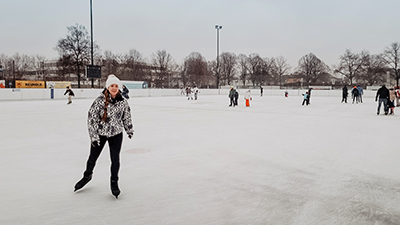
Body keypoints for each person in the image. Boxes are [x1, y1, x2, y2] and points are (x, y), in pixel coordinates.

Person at [74, 74, 134, 198]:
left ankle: (114, 183)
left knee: (115, 160)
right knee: (92, 158)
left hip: (116, 134)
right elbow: (92, 119)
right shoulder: (99, 101)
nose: (114, 88)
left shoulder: (123, 102)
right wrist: (94, 137)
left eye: (116, 86)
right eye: (111, 85)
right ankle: (87, 176)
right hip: (100, 135)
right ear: (107, 87)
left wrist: (129, 129)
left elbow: (126, 117)